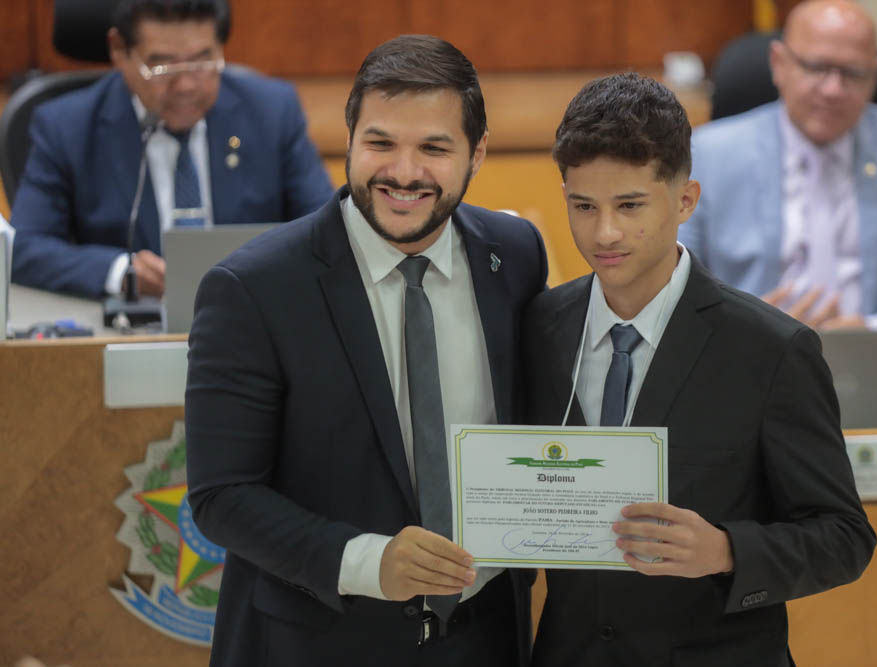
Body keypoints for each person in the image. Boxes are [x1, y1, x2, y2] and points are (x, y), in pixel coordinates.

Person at [184, 34, 547, 667]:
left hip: (487, 637)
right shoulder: (252, 287)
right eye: (380, 143)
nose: (404, 173)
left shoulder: (516, 255)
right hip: (319, 641)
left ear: (477, 152)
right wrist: (367, 561)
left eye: (434, 148)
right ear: (348, 139)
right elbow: (222, 495)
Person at [524, 72, 875, 666]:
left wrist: (725, 550)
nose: (604, 232)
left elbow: (844, 538)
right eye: (583, 206)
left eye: (630, 205)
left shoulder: (773, 350)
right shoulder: (536, 328)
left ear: (685, 199)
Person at [679, 0, 877, 335]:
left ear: (874, 76)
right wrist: (748, 323)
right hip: (749, 363)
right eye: (816, 67)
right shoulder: (710, 153)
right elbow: (672, 290)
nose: (832, 90)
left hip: (876, 362)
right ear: (778, 63)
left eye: (853, 73)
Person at [11, 0, 333, 299]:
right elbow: (23, 249)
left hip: (253, 319)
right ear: (119, 50)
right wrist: (125, 272)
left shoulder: (272, 112)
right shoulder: (67, 127)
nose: (186, 86)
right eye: (163, 66)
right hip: (133, 328)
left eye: (202, 61)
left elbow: (326, 231)